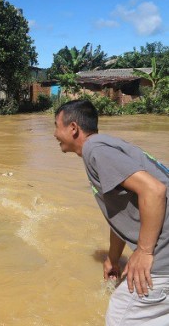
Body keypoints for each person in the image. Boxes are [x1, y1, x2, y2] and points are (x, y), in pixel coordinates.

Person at [54, 99, 169, 325]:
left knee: (119, 317)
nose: (54, 134)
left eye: (56, 126)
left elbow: (154, 190)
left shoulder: (95, 150)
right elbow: (120, 211)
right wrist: (113, 259)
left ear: (73, 128)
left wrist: (144, 251)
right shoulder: (105, 145)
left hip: (162, 258)